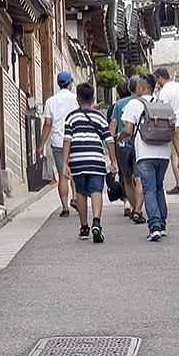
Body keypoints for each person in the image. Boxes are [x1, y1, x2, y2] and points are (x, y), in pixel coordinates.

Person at [118, 75, 172, 241]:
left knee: (149, 188)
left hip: (145, 152)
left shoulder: (134, 103)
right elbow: (173, 130)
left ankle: (154, 225)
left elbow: (128, 129)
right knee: (158, 186)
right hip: (164, 152)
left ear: (141, 88)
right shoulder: (162, 103)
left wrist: (120, 137)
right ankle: (162, 223)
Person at [62, 83, 114, 243]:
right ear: (93, 99)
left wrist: (65, 163)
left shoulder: (71, 117)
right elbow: (109, 140)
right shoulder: (99, 116)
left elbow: (67, 140)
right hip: (95, 159)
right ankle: (96, 222)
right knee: (96, 190)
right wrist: (113, 161)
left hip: (77, 159)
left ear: (77, 99)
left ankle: (84, 227)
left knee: (81, 193)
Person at [41, 71, 79, 217]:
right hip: (74, 140)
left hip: (58, 142)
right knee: (75, 172)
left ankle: (64, 208)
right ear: (70, 83)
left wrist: (42, 144)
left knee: (63, 175)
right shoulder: (76, 99)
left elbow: (48, 124)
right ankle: (75, 198)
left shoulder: (50, 101)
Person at [108, 81, 147, 224]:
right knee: (139, 178)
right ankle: (138, 209)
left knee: (127, 179)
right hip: (139, 145)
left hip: (123, 145)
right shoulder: (142, 103)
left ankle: (132, 207)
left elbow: (113, 125)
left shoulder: (118, 105)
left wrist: (112, 141)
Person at [154, 69, 179, 194]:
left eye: (157, 80)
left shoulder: (164, 91)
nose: (156, 83)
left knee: (175, 155)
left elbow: (162, 109)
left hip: (174, 125)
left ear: (160, 78)